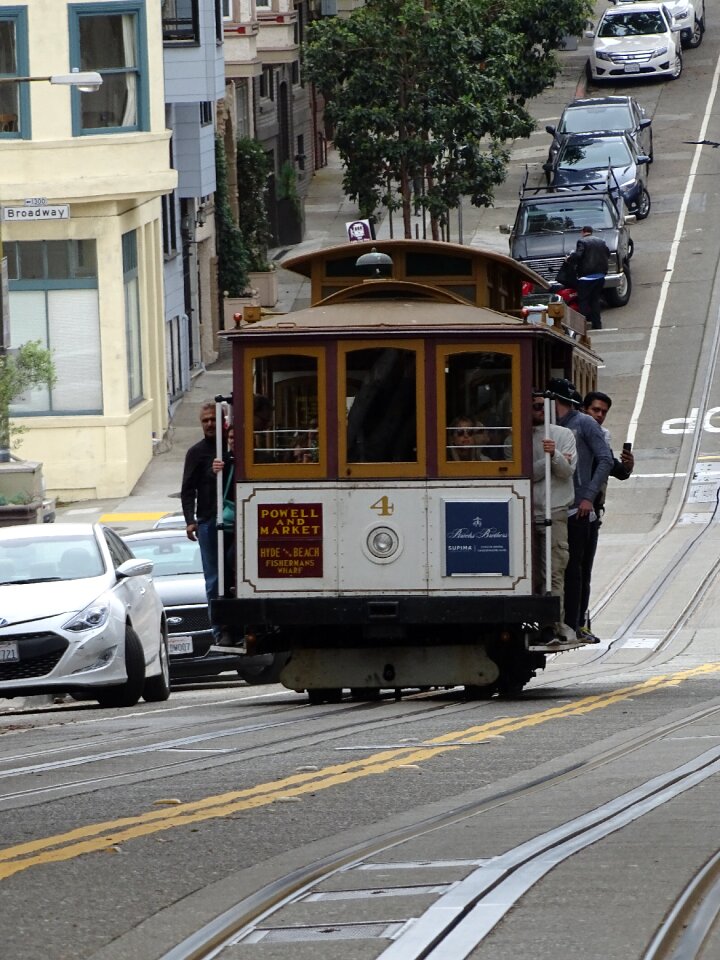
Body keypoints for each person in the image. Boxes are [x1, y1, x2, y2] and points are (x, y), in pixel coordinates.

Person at [547, 378, 613, 642]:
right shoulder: (548, 428)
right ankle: (559, 622)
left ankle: (574, 623)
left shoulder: (583, 423)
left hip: (579, 510)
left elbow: (607, 459)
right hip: (554, 506)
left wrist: (588, 496)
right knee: (558, 569)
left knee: (575, 569)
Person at [578, 390, 635, 642]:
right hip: (577, 510)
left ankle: (581, 621)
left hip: (591, 514)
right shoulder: (578, 436)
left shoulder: (600, 437)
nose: (599, 416)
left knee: (584, 570)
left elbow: (615, 470)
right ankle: (575, 621)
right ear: (584, 409)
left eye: (603, 412)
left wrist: (627, 466)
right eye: (595, 410)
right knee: (575, 571)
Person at [531, 391, 577, 644]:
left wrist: (555, 455)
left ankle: (553, 625)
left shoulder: (564, 435)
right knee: (532, 576)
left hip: (555, 512)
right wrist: (549, 458)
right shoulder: (516, 437)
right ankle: (534, 624)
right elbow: (526, 473)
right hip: (528, 512)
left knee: (554, 572)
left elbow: (567, 471)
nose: (537, 410)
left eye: (541, 406)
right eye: (533, 406)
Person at [181, 401, 223, 631]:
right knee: (214, 578)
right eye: (205, 420)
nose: (209, 424)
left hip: (233, 520)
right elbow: (188, 489)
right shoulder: (195, 453)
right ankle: (218, 629)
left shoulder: (233, 445)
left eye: (213, 419)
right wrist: (190, 521)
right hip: (207, 521)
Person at [211, 424, 244, 649]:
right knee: (225, 567)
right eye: (230, 437)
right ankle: (225, 629)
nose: (232, 440)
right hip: (229, 524)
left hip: (244, 524)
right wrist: (214, 471)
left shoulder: (247, 461)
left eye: (236, 437)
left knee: (233, 560)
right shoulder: (225, 461)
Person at [566, 225, 609, 330]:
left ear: (583, 232)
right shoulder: (601, 241)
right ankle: (597, 324)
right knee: (595, 300)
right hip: (600, 276)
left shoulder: (582, 242)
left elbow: (579, 255)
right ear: (591, 231)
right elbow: (607, 253)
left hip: (586, 277)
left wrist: (569, 259)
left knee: (583, 301)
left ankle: (582, 326)